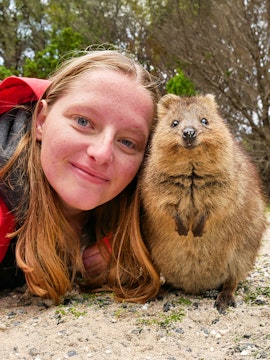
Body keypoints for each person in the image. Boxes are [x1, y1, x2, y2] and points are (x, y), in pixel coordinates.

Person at [0, 49, 161, 304]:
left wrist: (114, 245)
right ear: (41, 119)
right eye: (83, 122)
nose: (102, 153)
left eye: (128, 142)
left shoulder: (149, 202)